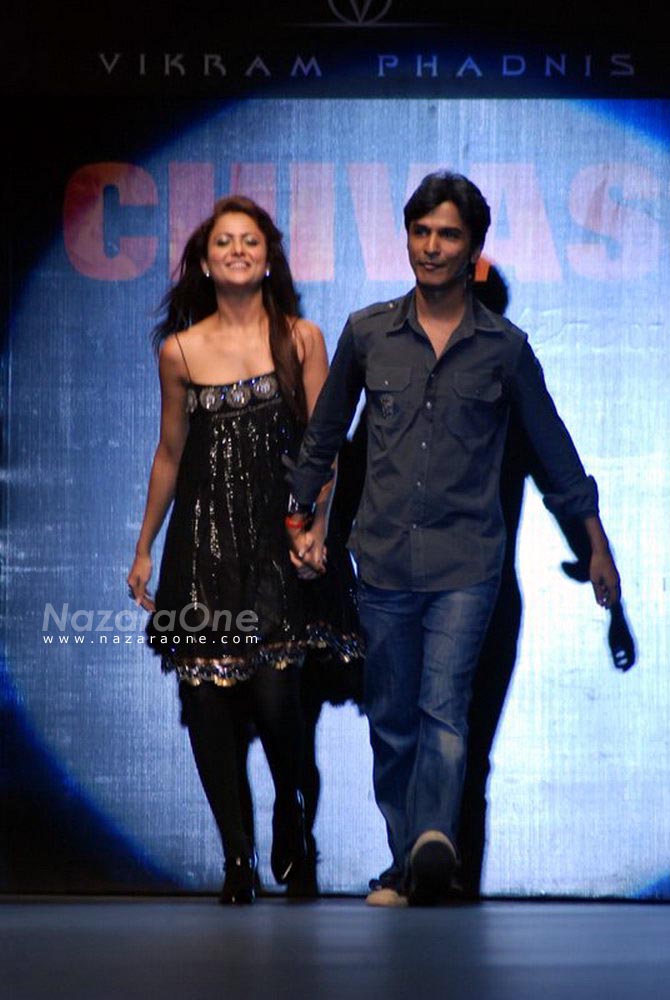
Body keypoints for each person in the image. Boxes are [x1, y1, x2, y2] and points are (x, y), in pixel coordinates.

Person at [285, 171, 621, 907]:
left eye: (448, 235)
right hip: (382, 557)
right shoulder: (368, 332)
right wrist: (301, 517)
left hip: (469, 561)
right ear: (408, 238)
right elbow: (325, 436)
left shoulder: (505, 349)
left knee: (443, 707)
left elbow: (556, 454)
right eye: (422, 232)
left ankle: (433, 838)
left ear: (474, 248)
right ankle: (408, 861)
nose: (432, 247)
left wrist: (598, 545)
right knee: (391, 720)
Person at [127, 196, 361, 904]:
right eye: (223, 241)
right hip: (202, 543)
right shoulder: (179, 350)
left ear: (268, 258)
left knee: (278, 698)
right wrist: (144, 547)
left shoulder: (301, 339)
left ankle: (293, 813)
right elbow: (170, 454)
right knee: (205, 702)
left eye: (250, 240)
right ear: (204, 261)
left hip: (276, 540)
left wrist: (317, 527)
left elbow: (326, 448)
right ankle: (237, 858)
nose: (237, 250)